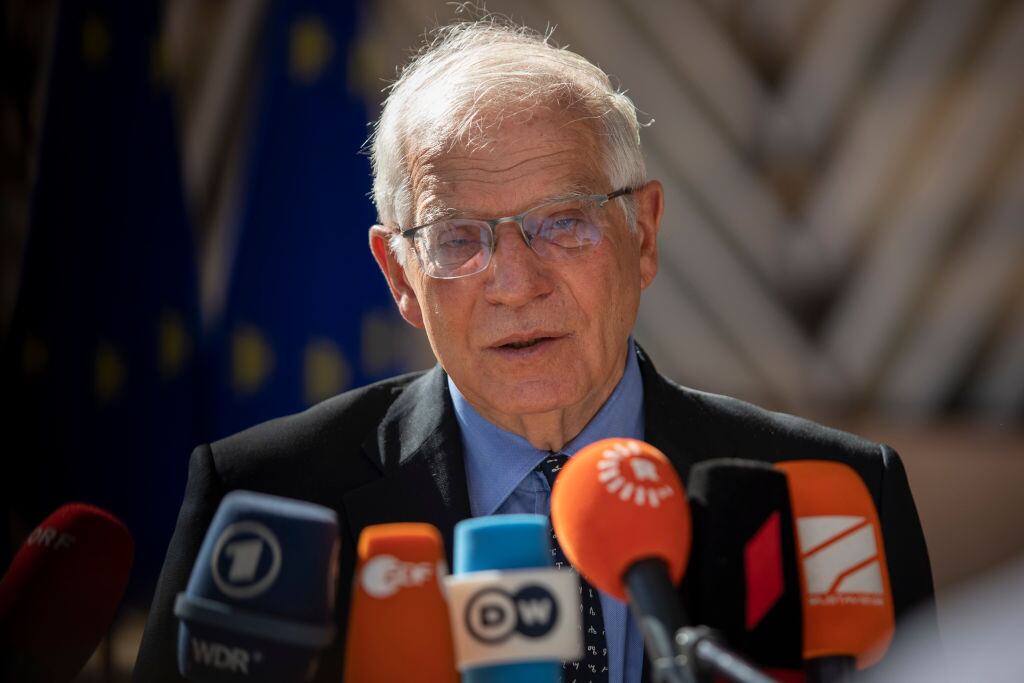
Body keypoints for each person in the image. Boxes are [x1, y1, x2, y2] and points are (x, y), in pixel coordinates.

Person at [133, 17, 938, 683]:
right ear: (400, 277)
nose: (515, 281)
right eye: (458, 239)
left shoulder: (826, 500)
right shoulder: (268, 498)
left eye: (563, 221)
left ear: (644, 234)